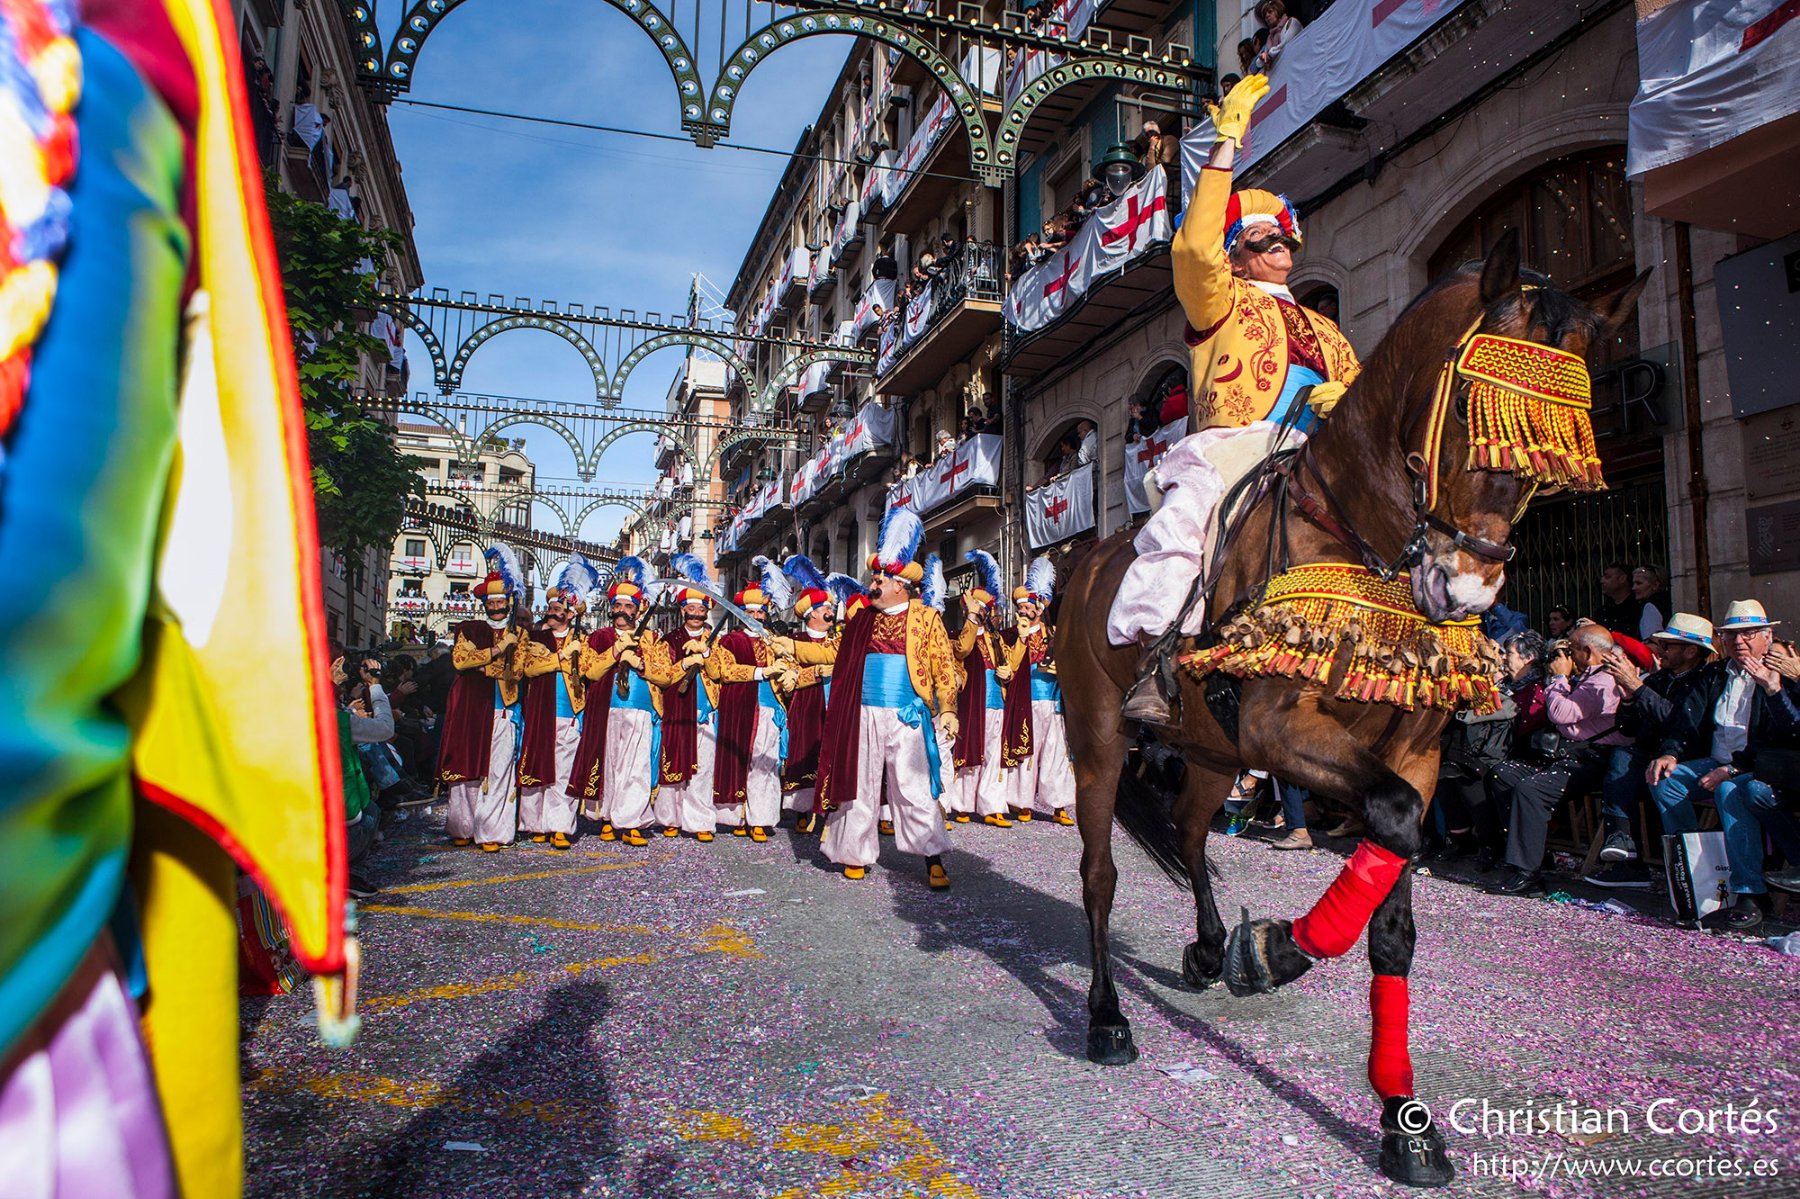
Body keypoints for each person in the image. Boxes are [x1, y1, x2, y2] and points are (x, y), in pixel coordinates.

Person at [1108, 75, 1358, 703]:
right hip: (1237, 449)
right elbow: (1194, 247)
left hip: (1316, 453)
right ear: (1236, 258)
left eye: (1279, 235)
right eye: (1257, 238)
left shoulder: (1328, 329)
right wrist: (1225, 144)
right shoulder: (1219, 301)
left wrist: (1346, 407)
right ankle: (1158, 655)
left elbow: (1362, 400)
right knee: (1187, 520)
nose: (1275, 241)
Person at [775, 508, 959, 887]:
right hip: (863, 715)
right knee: (859, 785)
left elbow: (943, 666)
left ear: (899, 586)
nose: (872, 584)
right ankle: (853, 852)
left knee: (913, 789)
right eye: (874, 578)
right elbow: (831, 653)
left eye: (879, 579)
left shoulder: (926, 619)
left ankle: (932, 857)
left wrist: (948, 709)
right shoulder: (862, 620)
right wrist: (791, 646)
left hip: (908, 715)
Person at [1646, 600, 1800, 929]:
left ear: (1767, 637)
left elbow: (1780, 737)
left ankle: (1750, 891)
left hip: (1757, 767)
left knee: (1730, 790)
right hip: (1716, 760)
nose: (1739, 642)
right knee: (1665, 779)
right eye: (1731, 635)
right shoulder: (1715, 673)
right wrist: (1670, 752)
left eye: (1748, 634)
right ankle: (1696, 871)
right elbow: (1687, 721)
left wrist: (1731, 769)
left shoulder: (1781, 673)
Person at [1486, 625, 1632, 895]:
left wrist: (1558, 678)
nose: (1568, 656)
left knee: (1531, 789)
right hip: (1568, 752)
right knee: (1503, 773)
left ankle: (1528, 874)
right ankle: (1529, 855)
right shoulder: (1588, 675)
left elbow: (1561, 713)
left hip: (1594, 757)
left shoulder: (1604, 680)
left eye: (1572, 649)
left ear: (1588, 651)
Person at [1581, 613, 1716, 888]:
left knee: (1652, 773)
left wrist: (1637, 687)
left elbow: (1681, 722)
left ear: (1690, 651)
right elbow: (1629, 729)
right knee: (1623, 755)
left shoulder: (1703, 681)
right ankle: (1624, 847)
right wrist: (1629, 699)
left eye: (1667, 646)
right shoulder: (1659, 679)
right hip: (1649, 758)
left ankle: (1687, 869)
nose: (1659, 651)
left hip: (1688, 758)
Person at [566, 558, 663, 847]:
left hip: (641, 711)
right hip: (606, 710)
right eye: (617, 605)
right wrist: (616, 651)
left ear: (638, 609)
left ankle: (631, 821)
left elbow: (666, 674)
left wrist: (641, 664)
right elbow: (589, 671)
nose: (622, 611)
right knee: (609, 765)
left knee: (636, 768)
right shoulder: (599, 637)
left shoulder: (652, 639)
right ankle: (607, 817)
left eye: (628, 606)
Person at [440, 553, 530, 852]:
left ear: (508, 602)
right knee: (466, 771)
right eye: (491, 603)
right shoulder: (469, 629)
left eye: (500, 602)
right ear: (484, 604)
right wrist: (497, 650)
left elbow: (516, 671)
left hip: (503, 708)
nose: (496, 607)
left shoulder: (520, 634)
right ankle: (463, 826)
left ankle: (492, 831)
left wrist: (480, 666)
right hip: (470, 709)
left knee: (499, 771)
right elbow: (460, 660)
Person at [707, 561, 793, 842]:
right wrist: (759, 672)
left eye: (760, 612)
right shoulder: (729, 641)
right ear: (741, 614)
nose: (756, 616)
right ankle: (737, 816)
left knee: (765, 764)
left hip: (769, 709)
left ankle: (761, 818)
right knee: (738, 760)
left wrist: (788, 673)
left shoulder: (774, 641)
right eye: (751, 612)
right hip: (739, 708)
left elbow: (789, 665)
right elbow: (724, 671)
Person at [516, 573, 596, 850]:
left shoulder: (584, 641)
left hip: (570, 713)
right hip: (540, 710)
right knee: (536, 765)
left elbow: (589, 671)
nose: (551, 612)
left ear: (570, 615)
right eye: (550, 608)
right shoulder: (536, 638)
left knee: (564, 771)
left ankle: (559, 825)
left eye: (557, 609)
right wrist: (560, 658)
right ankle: (535, 823)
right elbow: (529, 668)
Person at [950, 551, 1027, 826]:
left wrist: (1012, 663)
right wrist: (971, 620)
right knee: (970, 752)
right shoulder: (959, 636)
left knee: (994, 755)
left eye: (986, 609)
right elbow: (963, 650)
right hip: (973, 705)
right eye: (979, 608)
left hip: (996, 702)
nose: (984, 613)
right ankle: (961, 804)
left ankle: (992, 807)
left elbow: (1010, 664)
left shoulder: (996, 639)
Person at [999, 558, 1077, 826]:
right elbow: (1008, 665)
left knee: (1057, 754)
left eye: (1027, 606)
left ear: (1039, 608)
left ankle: (1058, 805)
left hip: (1053, 702)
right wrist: (1021, 640)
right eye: (1020, 607)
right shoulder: (1011, 635)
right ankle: (1023, 802)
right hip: (1025, 701)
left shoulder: (1054, 634)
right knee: (1026, 753)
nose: (1022, 610)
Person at [656, 563, 721, 842]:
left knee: (703, 769)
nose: (696, 613)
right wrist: (684, 664)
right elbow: (662, 676)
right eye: (691, 608)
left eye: (700, 609)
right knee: (673, 764)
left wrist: (705, 657)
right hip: (677, 711)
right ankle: (670, 817)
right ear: (683, 610)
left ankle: (700, 821)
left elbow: (721, 673)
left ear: (706, 612)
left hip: (706, 713)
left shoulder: (717, 642)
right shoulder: (668, 641)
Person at [777, 560, 838, 832]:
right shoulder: (796, 641)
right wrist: (814, 673)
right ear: (812, 614)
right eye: (826, 609)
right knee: (804, 754)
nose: (831, 613)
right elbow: (786, 679)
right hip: (807, 706)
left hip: (834, 705)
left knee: (833, 755)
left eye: (831, 609)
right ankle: (803, 808)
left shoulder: (837, 641)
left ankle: (831, 809)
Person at [1592, 563, 1643, 638]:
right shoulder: (1603, 611)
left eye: (1607, 577)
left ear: (1622, 579)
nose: (1602, 581)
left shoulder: (1639, 608)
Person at [1632, 566, 1672, 639]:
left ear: (1655, 585)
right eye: (1633, 583)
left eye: (1639, 583)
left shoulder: (1650, 606)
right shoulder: (1671, 600)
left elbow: (1651, 639)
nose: (1634, 588)